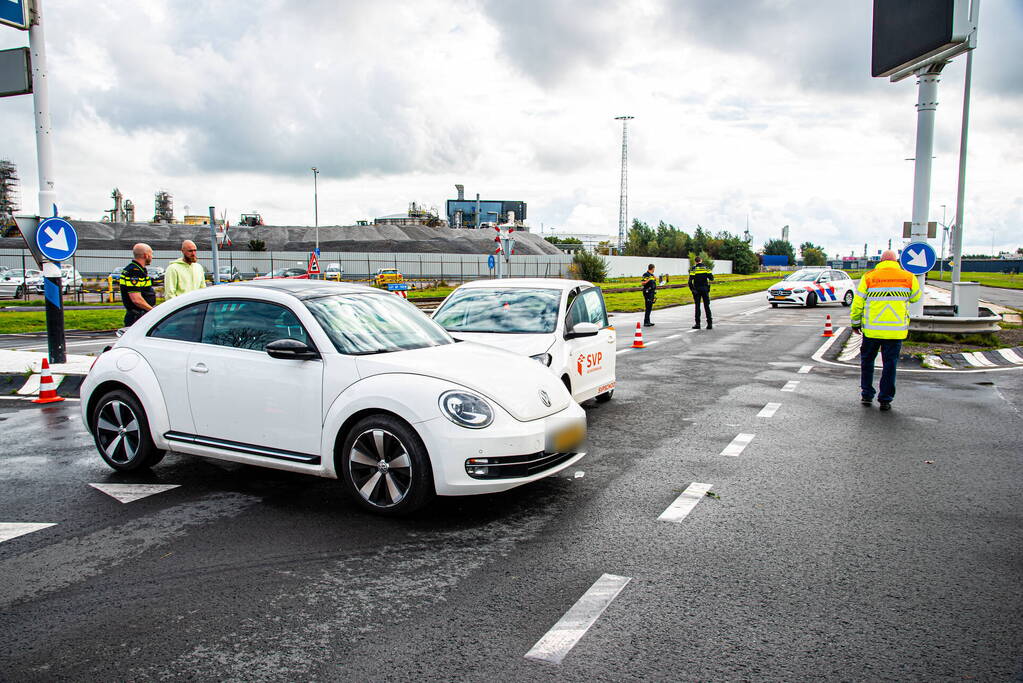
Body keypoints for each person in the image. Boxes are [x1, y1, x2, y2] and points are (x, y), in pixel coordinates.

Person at [850, 249, 921, 411]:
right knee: (890, 365)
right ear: (896, 261)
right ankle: (885, 399)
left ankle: (867, 394)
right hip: (895, 331)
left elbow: (857, 304)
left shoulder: (869, 277)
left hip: (872, 330)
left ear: (881, 261)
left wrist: (855, 323)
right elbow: (916, 297)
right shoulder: (908, 277)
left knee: (867, 362)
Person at [120, 243, 156, 326]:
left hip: (140, 315)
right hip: (137, 317)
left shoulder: (139, 269)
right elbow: (136, 299)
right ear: (146, 255)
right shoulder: (134, 271)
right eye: (151, 254)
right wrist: (153, 311)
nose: (152, 256)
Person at [688, 257, 714, 329]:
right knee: (707, 306)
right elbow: (711, 278)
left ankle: (698, 324)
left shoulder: (693, 269)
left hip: (697, 290)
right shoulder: (706, 268)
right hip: (705, 289)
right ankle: (709, 324)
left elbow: (690, 282)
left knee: (697, 307)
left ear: (695, 262)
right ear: (701, 260)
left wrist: (693, 290)